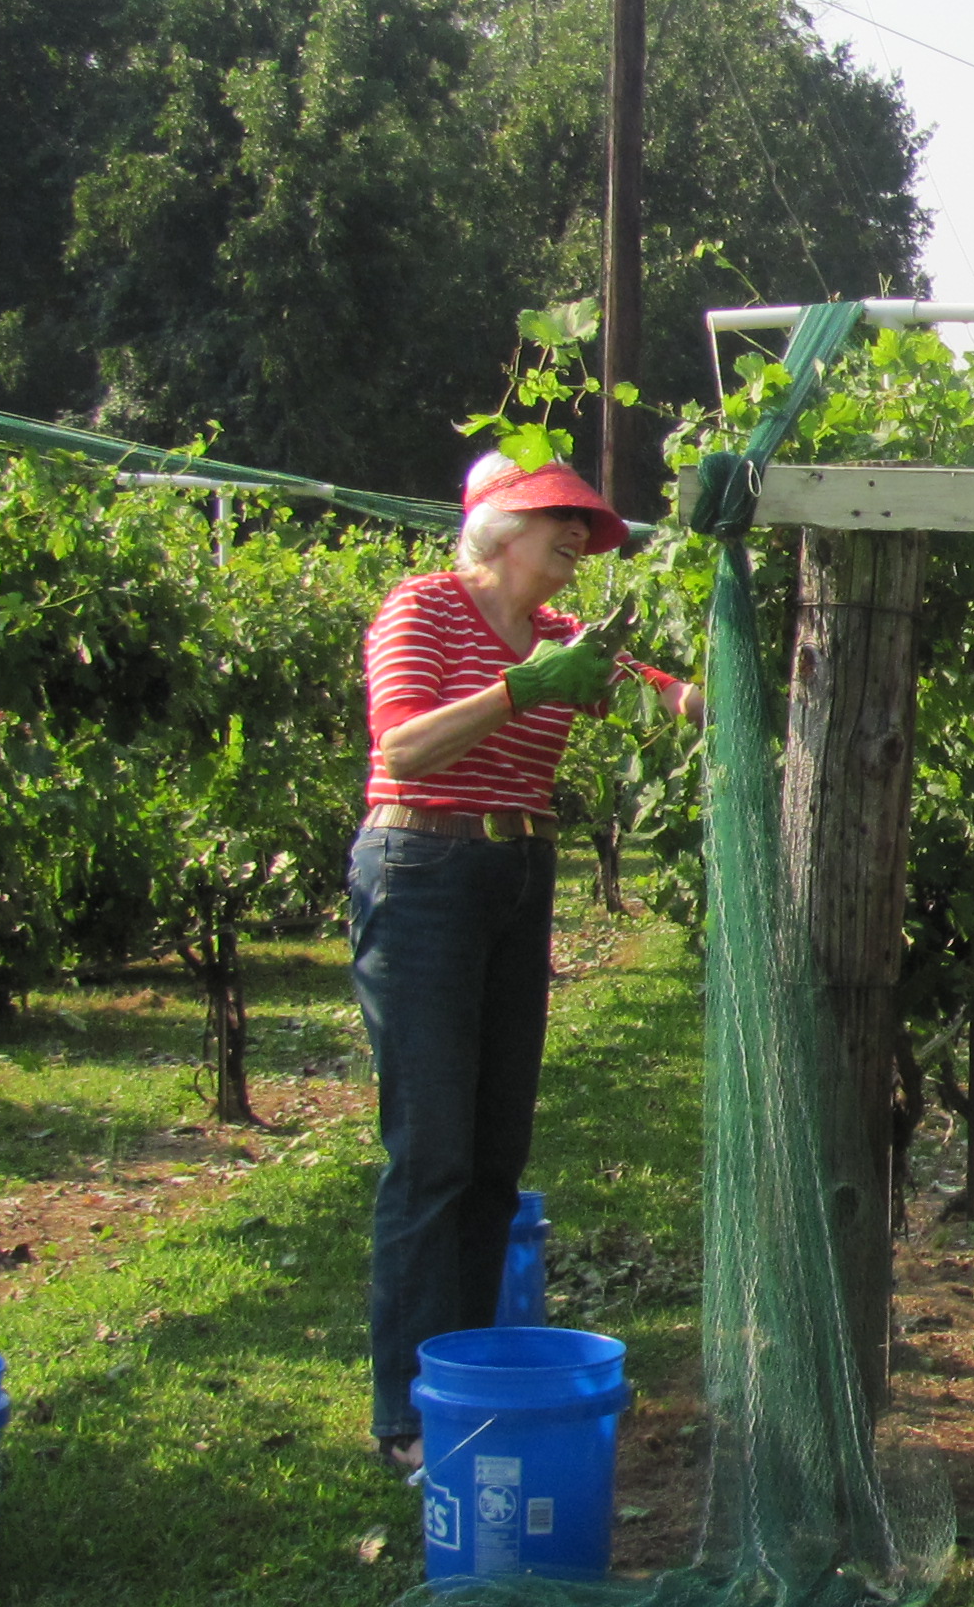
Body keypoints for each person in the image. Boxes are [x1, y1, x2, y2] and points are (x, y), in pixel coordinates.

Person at [351, 453, 701, 1474]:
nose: (580, 542)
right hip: (422, 866)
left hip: (515, 869)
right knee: (431, 1150)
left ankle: (466, 1381)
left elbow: (666, 697)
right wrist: (522, 689)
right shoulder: (422, 609)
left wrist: (736, 685)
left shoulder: (562, 638)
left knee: (496, 1148)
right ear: (498, 526)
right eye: (562, 521)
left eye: (587, 529)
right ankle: (406, 1414)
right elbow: (404, 746)